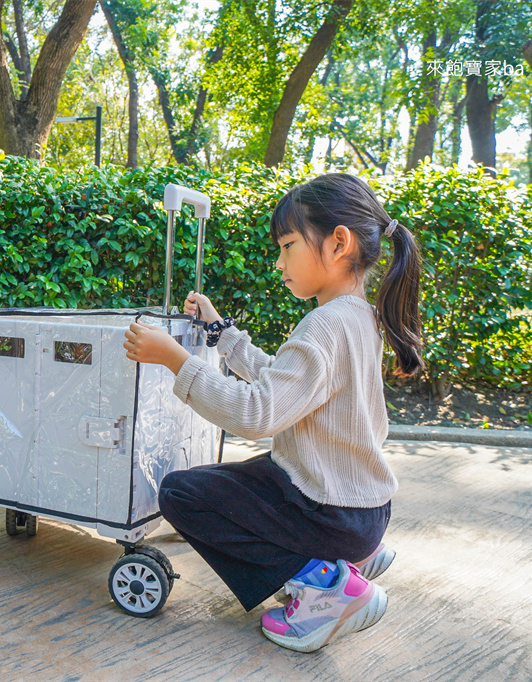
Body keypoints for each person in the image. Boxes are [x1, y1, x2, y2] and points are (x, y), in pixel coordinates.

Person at [121, 173, 424, 653]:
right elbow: (284, 385)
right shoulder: (358, 317)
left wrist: (174, 358)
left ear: (338, 243)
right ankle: (352, 558)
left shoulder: (324, 325)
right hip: (362, 507)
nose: (279, 262)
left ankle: (325, 586)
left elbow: (256, 413)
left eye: (287, 246)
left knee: (182, 494)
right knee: (246, 479)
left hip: (329, 509)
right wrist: (222, 332)